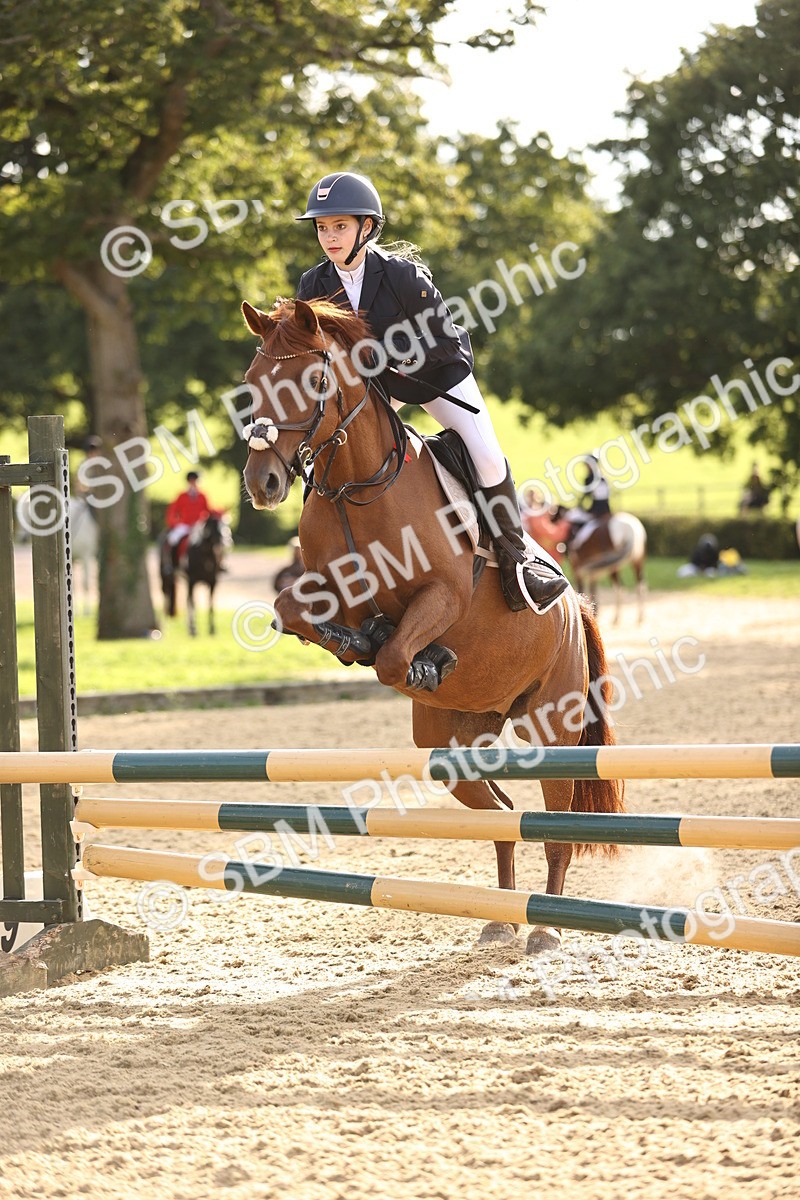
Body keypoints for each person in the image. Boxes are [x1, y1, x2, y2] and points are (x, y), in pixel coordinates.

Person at [294, 170, 568, 614]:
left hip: (437, 374)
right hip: (377, 387)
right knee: (327, 448)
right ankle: (319, 565)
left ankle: (519, 561)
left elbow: (441, 341)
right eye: (323, 227)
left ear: (367, 227)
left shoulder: (403, 274)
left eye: (340, 226)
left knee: (483, 452)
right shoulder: (313, 285)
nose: (329, 237)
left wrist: (380, 358)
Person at [162, 471, 212, 576]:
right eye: (192, 481)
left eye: (195, 481)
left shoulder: (203, 496)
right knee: (172, 539)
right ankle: (170, 564)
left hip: (198, 526)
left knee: (214, 539)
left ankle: (216, 564)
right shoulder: (182, 496)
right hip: (184, 525)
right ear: (189, 482)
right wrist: (174, 522)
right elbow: (174, 511)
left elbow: (208, 510)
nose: (194, 483)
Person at [566, 453, 611, 551]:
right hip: (607, 511)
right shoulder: (604, 478)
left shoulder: (590, 478)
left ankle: (574, 545)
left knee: (571, 516)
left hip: (595, 512)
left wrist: (580, 506)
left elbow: (586, 496)